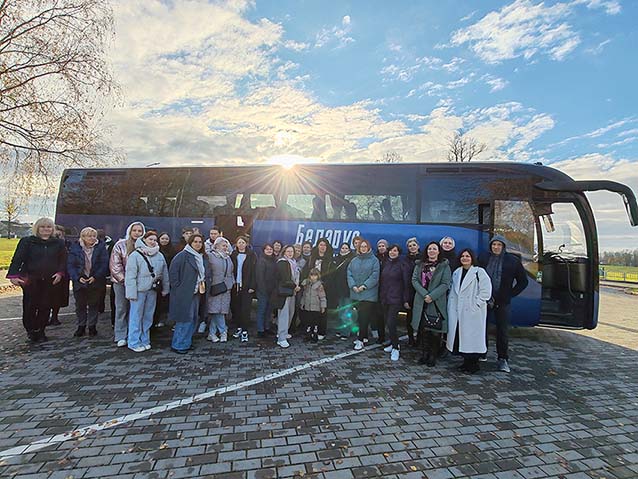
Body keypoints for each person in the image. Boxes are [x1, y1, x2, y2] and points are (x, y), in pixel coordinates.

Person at [7, 217, 67, 342]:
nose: (46, 229)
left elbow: (63, 260)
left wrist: (60, 273)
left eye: (48, 227)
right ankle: (31, 330)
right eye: (42, 227)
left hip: (50, 280)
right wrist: (13, 275)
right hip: (31, 279)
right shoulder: (27, 242)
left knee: (45, 306)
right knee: (30, 306)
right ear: (37, 228)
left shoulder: (58, 243)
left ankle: (41, 330)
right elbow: (17, 259)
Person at [478, 235, 529, 373]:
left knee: (502, 331)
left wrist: (510, 294)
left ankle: (502, 359)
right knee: (482, 328)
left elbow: (523, 281)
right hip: (485, 300)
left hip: (502, 301)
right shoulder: (483, 258)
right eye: (494, 244)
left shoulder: (512, 261)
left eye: (499, 245)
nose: (496, 247)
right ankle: (482, 353)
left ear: (504, 247)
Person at [447, 249, 492, 374]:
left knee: (473, 339)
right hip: (459, 310)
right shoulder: (457, 272)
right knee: (462, 337)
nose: (465, 258)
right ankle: (465, 363)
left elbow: (486, 291)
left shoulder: (479, 272)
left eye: (467, 256)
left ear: (472, 258)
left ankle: (473, 365)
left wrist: (477, 304)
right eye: (462, 256)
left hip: (473, 311)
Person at [125, 231, 170, 352]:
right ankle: (133, 342)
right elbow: (130, 276)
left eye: (155, 240)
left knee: (148, 316)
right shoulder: (135, 255)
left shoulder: (159, 255)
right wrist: (131, 293)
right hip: (139, 291)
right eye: (150, 239)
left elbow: (164, 273)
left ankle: (145, 339)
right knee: (136, 316)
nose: (153, 242)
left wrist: (166, 288)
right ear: (144, 240)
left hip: (152, 290)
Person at [411, 241, 452, 367]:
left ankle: (433, 356)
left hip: (436, 301)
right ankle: (424, 355)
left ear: (439, 251)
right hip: (421, 300)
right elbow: (414, 280)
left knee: (435, 330)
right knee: (423, 329)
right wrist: (425, 295)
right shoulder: (419, 265)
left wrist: (432, 296)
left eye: (434, 249)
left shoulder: (444, 266)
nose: (432, 251)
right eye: (429, 249)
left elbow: (445, 284)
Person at [170, 234, 211, 353]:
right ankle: (178, 345)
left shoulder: (202, 257)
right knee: (184, 319)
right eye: (195, 242)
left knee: (193, 318)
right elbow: (173, 274)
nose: (198, 244)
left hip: (197, 292)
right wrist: (179, 288)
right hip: (185, 293)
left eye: (200, 242)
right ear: (190, 243)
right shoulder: (182, 256)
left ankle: (186, 342)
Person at [67, 227, 109, 338]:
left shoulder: (100, 247)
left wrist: (96, 276)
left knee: (94, 304)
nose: (92, 238)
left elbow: (104, 263)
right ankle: (81, 326)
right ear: (83, 237)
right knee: (80, 305)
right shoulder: (75, 248)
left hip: (95, 279)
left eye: (94, 236)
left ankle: (92, 326)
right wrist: (77, 277)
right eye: (89, 236)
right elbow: (71, 265)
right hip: (80, 279)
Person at [110, 221, 145, 347]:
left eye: (139, 231)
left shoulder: (145, 246)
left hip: (139, 284)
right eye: (134, 230)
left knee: (135, 310)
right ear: (130, 231)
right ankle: (120, 335)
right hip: (121, 283)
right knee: (121, 308)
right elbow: (115, 266)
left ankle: (133, 334)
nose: (137, 233)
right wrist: (126, 281)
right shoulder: (120, 245)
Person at [379, 245, 411, 361]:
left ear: (399, 253)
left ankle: (396, 348)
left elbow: (406, 283)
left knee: (391, 322)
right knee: (388, 323)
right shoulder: (386, 263)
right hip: (385, 298)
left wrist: (406, 299)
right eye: (391, 251)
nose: (393, 253)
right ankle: (393, 343)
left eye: (395, 251)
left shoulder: (402, 265)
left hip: (396, 299)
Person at [347, 239, 380, 351]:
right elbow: (349, 273)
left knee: (364, 317)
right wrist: (353, 286)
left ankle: (360, 340)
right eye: (361, 246)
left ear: (369, 247)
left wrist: (364, 286)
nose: (363, 248)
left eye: (365, 246)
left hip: (368, 294)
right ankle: (364, 336)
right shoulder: (354, 260)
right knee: (359, 316)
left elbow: (375, 276)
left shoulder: (374, 260)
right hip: (356, 293)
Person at [301, 237, 335, 339]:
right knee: (311, 311)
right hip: (311, 288)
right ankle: (310, 330)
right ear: (318, 246)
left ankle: (321, 331)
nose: (322, 247)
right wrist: (305, 282)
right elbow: (306, 272)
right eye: (321, 245)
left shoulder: (330, 260)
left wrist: (324, 284)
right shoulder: (312, 258)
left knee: (322, 309)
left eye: (324, 245)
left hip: (322, 288)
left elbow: (332, 275)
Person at [272, 245, 300, 348]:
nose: (290, 253)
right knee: (284, 315)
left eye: (291, 251)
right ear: (284, 252)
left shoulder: (293, 263)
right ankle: (281, 338)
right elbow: (285, 279)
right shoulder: (282, 262)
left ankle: (284, 332)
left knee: (290, 313)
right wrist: (295, 286)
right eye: (288, 251)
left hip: (291, 292)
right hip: (283, 293)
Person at [206, 237, 234, 343]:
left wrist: (231, 282)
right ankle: (223, 331)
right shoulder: (210, 256)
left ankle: (211, 333)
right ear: (216, 245)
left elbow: (231, 272)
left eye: (226, 246)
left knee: (220, 311)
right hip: (215, 287)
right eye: (223, 245)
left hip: (226, 287)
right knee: (216, 311)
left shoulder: (228, 257)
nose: (225, 247)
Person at [230, 235, 257, 342]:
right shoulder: (233, 255)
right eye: (239, 242)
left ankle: (245, 330)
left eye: (243, 242)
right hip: (235, 286)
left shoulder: (252, 255)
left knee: (246, 309)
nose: (241, 244)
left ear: (246, 244)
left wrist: (252, 286)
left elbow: (254, 272)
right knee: (236, 309)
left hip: (247, 287)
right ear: (236, 244)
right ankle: (239, 328)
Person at [332, 242, 356, 338]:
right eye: (343, 248)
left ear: (349, 250)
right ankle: (341, 329)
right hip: (338, 289)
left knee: (347, 312)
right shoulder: (336, 259)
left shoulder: (352, 259)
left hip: (347, 289)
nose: (344, 250)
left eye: (346, 248)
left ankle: (346, 332)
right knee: (340, 311)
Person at [48, 225, 70, 326]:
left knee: (58, 297)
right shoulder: (49, 244)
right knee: (48, 296)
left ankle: (54, 316)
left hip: (63, 274)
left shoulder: (68, 244)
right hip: (49, 273)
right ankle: (46, 316)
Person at [154, 232, 176, 327]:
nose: (164, 240)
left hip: (169, 278)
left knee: (166, 300)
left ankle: (164, 319)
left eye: (166, 239)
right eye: (162, 238)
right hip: (158, 279)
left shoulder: (173, 251)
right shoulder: (155, 250)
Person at [255, 243, 277, 338]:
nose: (269, 251)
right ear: (264, 250)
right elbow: (259, 277)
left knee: (268, 311)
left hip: (272, 290)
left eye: (270, 249)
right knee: (262, 310)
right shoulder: (261, 261)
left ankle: (267, 328)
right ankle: (260, 330)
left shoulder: (274, 260)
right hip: (263, 291)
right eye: (267, 249)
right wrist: (263, 290)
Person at [300, 268, 327, 342]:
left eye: (315, 275)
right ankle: (308, 335)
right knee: (308, 322)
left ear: (318, 276)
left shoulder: (319, 286)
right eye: (312, 275)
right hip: (308, 307)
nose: (313, 277)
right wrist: (302, 303)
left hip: (316, 307)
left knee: (315, 323)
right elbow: (304, 295)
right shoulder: (307, 285)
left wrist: (323, 307)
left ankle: (315, 336)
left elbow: (322, 297)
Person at [404, 237, 420, 346]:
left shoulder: (423, 259)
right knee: (409, 317)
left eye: (414, 245)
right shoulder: (405, 260)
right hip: (409, 291)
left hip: (420, 292)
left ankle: (419, 339)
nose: (412, 247)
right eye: (410, 246)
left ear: (418, 246)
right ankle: (411, 339)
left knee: (420, 318)